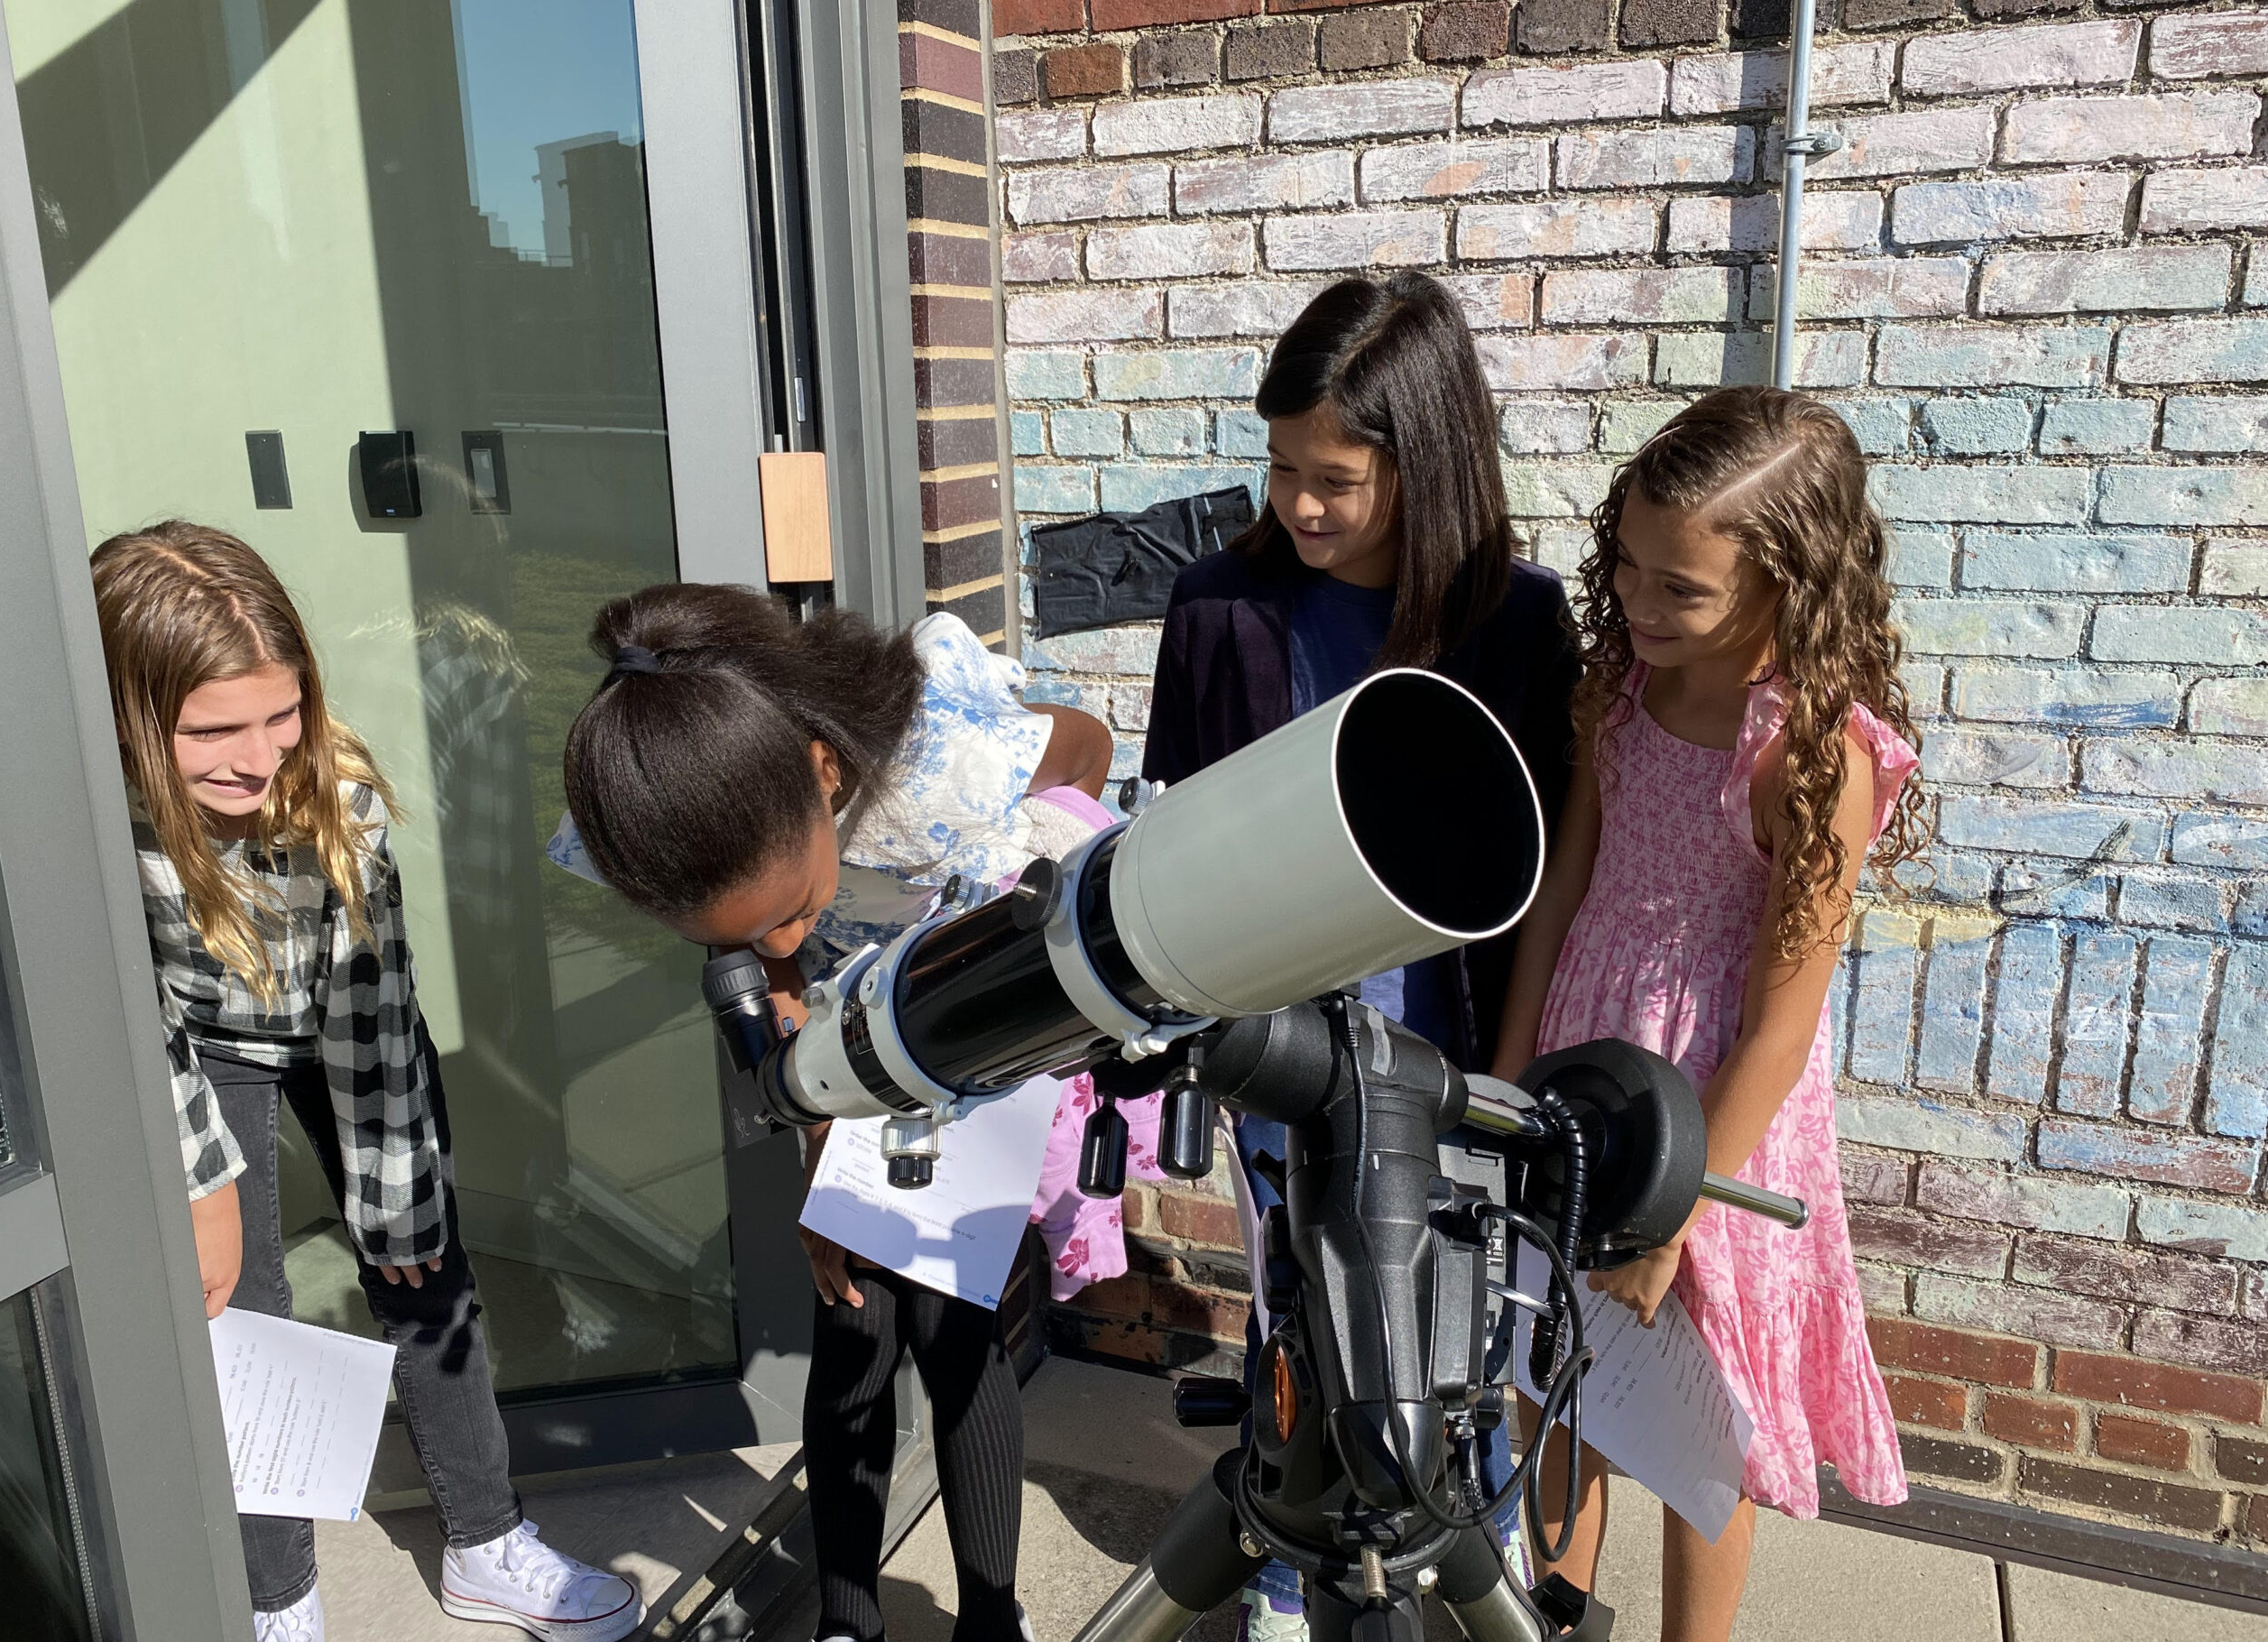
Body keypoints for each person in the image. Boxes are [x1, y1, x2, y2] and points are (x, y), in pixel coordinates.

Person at [89, 522, 642, 1642]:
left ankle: (486, 1542)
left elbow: (373, 1002)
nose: (257, 756)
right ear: (129, 716)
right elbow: (125, 1014)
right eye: (213, 730)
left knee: (425, 1265)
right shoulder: (92, 818)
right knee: (242, 1316)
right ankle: (277, 1600)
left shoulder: (330, 792)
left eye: (280, 714)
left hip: (344, 1028)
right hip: (194, 1048)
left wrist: (394, 1203)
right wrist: (202, 1185)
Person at [552, 584, 1135, 1642]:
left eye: (787, 908)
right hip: (845, 1033)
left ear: (825, 775)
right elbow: (763, 966)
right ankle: (844, 1618)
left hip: (970, 1014)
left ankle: (991, 1617)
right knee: (855, 1315)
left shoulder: (937, 769)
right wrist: (822, 1148)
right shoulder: (658, 812)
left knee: (956, 1319)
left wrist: (1022, 908)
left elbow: (1087, 753)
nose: (770, 938)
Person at [1140, 271, 1581, 1640]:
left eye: (1332, 477)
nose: (1297, 506)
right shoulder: (1219, 610)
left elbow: (1552, 863)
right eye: (1278, 469)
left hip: (1453, 1067)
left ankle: (1469, 1579)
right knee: (1299, 1328)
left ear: (1426, 462)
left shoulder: (1515, 622)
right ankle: (1282, 1575)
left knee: (1457, 1352)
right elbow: (1172, 834)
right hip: (1277, 1065)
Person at [1494, 386, 1929, 1642]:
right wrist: (1513, 1074)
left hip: (1713, 1115)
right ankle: (1557, 1618)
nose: (1636, 599)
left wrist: (1679, 1216)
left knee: (1700, 1421)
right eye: (1626, 564)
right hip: (1586, 1064)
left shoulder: (1814, 754)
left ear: (1791, 584)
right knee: (1559, 1376)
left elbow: (1784, 1027)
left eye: (1679, 587)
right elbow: (1565, 884)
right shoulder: (1623, 686)